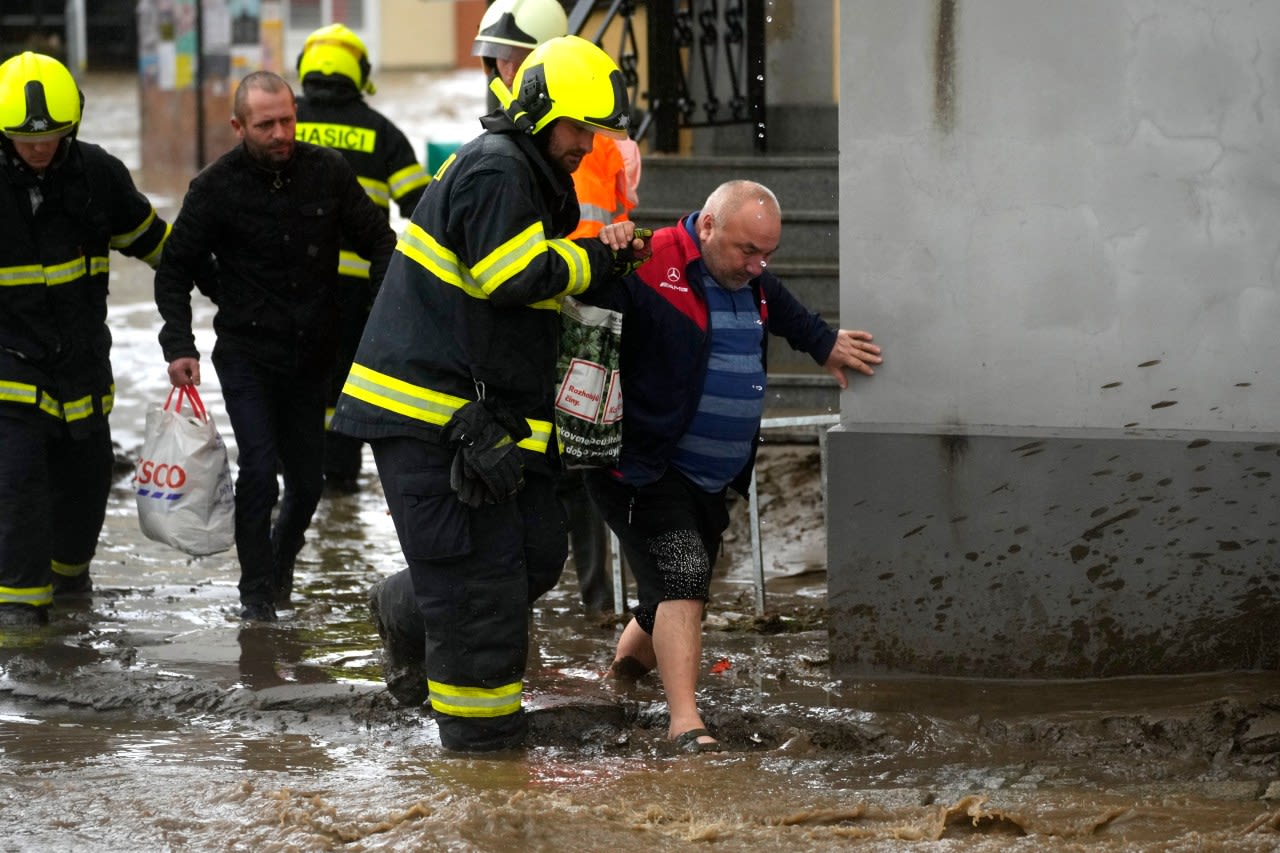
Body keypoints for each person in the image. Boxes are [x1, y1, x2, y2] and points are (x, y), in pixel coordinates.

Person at [331, 35, 643, 751]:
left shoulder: (528, 175)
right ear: (537, 115)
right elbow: (510, 275)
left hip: (482, 416)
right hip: (430, 417)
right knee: (480, 589)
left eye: (596, 132)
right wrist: (596, 257)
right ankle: (481, 757)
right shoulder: (498, 169)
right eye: (578, 129)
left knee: (535, 554)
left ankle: (406, 607)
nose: (586, 145)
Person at [584, 180, 883, 752]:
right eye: (748, 250)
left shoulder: (751, 279)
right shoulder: (649, 261)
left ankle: (620, 678)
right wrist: (604, 248)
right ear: (708, 227)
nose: (757, 265)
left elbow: (787, 310)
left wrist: (825, 344)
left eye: (767, 253)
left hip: (709, 476)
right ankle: (686, 725)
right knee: (683, 575)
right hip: (642, 466)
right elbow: (571, 296)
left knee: (670, 594)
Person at [154, 70, 395, 623]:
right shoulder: (214, 188)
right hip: (246, 355)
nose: (281, 132)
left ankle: (281, 565)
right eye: (266, 125)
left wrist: (376, 313)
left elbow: (382, 242)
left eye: (287, 119)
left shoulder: (327, 172)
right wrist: (179, 345)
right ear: (239, 127)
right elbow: (173, 271)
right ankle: (256, 595)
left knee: (309, 485)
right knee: (259, 470)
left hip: (314, 355)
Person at [472, 0, 640, 615]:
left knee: (580, 462)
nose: (500, 70)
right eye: (499, 59)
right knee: (559, 460)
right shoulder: (512, 135)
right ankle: (578, 602)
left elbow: (614, 217)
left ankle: (592, 603)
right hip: (547, 304)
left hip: (576, 305)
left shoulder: (578, 130)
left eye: (508, 58)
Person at [0, 52, 172, 627]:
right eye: (27, 140)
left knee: (87, 489)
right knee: (19, 506)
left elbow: (160, 247)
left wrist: (242, 295)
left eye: (52, 136)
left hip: (81, 374)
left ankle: (71, 618)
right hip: (9, 373)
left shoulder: (96, 175)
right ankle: (24, 677)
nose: (41, 148)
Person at [294, 23, 431, 495]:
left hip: (285, 289)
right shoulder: (382, 132)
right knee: (345, 383)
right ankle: (340, 480)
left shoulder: (279, 123)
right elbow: (423, 207)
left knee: (291, 380)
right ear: (360, 71)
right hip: (354, 292)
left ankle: (293, 474)